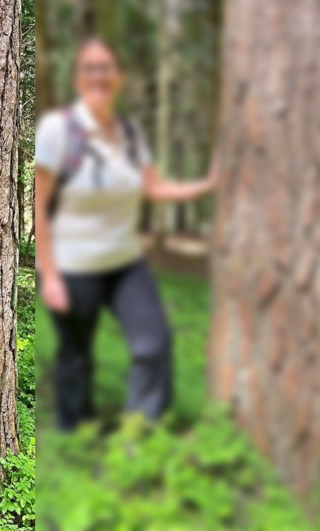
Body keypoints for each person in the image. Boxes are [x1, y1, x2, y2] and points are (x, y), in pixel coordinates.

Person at [34, 37, 218, 431]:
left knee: (153, 343)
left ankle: (140, 436)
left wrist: (206, 185)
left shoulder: (130, 134)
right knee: (76, 355)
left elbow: (154, 187)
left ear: (118, 78)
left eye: (106, 67)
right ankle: (75, 435)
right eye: (90, 68)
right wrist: (50, 276)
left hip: (124, 263)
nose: (98, 75)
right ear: (78, 77)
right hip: (72, 265)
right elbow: (40, 205)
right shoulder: (58, 129)